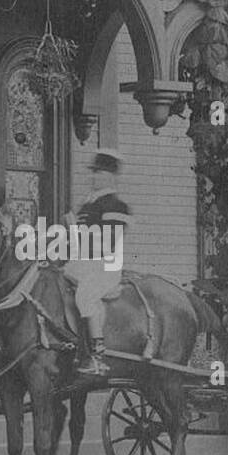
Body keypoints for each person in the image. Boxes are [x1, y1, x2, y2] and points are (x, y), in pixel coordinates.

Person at [64, 149, 130, 376]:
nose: (94, 178)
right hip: (83, 262)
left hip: (104, 265)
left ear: (111, 176)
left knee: (85, 293)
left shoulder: (116, 206)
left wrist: (78, 237)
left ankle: (97, 353)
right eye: (93, 173)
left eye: (99, 173)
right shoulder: (88, 204)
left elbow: (110, 242)